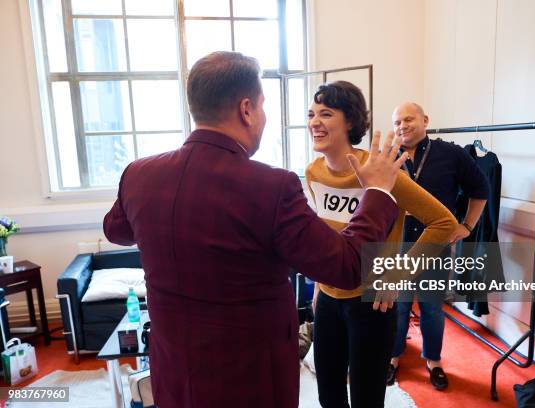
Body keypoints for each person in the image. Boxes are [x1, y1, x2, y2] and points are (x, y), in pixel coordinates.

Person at [103, 51, 408, 408]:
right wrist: (378, 193)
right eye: (262, 107)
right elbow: (346, 266)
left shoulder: (139, 174)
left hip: (174, 372)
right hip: (249, 380)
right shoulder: (272, 187)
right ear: (246, 109)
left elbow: (115, 230)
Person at [305, 81, 457, 408]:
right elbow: (327, 239)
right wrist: (318, 289)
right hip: (329, 302)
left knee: (366, 399)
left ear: (350, 122)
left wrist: (398, 274)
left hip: (372, 305)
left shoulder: (382, 172)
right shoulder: (313, 172)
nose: (314, 121)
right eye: (311, 114)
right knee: (328, 395)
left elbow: (444, 223)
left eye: (326, 113)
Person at [386, 102, 489, 390]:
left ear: (425, 120)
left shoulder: (451, 154)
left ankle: (433, 360)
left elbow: (481, 189)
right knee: (397, 306)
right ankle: (392, 357)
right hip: (396, 247)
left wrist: (466, 226)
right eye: (397, 122)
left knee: (431, 308)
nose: (402, 126)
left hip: (435, 248)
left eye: (409, 119)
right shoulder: (387, 157)